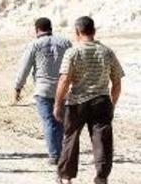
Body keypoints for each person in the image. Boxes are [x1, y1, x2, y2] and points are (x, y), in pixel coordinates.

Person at [54, 16, 123, 184]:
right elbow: (117, 80)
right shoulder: (106, 51)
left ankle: (66, 176)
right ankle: (101, 177)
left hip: (77, 102)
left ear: (77, 32)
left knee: (71, 137)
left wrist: (57, 104)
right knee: (103, 140)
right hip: (101, 100)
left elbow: (64, 80)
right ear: (94, 31)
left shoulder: (73, 52)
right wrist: (112, 103)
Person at [14, 17, 72, 165]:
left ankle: (54, 155)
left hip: (43, 89)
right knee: (61, 122)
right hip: (63, 89)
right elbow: (74, 64)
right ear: (50, 28)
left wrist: (18, 87)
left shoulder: (34, 45)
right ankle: (63, 153)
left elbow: (24, 68)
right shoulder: (65, 43)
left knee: (49, 122)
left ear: (37, 30)